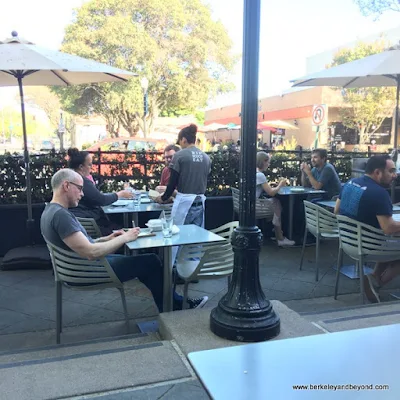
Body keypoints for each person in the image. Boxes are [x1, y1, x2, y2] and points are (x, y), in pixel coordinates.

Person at [41, 169, 208, 311]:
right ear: (66, 186)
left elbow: (85, 244)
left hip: (76, 268)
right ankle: (176, 307)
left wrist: (107, 238)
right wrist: (126, 238)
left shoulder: (51, 211)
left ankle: (173, 306)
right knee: (151, 262)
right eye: (79, 189)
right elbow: (91, 252)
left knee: (147, 263)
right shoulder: (61, 216)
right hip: (86, 270)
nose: (83, 194)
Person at [334, 155, 400, 303]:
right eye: (391, 171)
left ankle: (374, 278)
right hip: (368, 246)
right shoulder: (379, 193)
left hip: (348, 242)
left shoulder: (350, 183)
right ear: (377, 172)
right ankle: (377, 283)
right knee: (392, 239)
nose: (394, 175)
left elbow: (336, 211)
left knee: (391, 241)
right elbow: (388, 227)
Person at [155, 124, 211, 228]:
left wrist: (163, 198)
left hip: (184, 203)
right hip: (200, 203)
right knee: (196, 237)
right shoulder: (206, 157)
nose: (180, 145)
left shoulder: (179, 155)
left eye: (180, 142)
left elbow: (172, 183)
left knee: (178, 236)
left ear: (184, 139)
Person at [67, 148, 132, 235]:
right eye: (89, 165)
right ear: (81, 167)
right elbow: (101, 200)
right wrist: (120, 194)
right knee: (123, 231)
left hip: (78, 221)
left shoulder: (69, 176)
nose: (92, 167)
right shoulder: (81, 181)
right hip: (89, 224)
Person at [256, 152, 295, 246]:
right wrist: (280, 185)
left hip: (249, 204)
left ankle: (276, 231)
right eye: (268, 162)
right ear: (263, 162)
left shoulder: (253, 172)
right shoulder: (260, 175)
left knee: (275, 203)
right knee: (276, 204)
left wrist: (274, 186)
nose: (268, 165)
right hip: (255, 207)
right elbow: (271, 193)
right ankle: (280, 237)